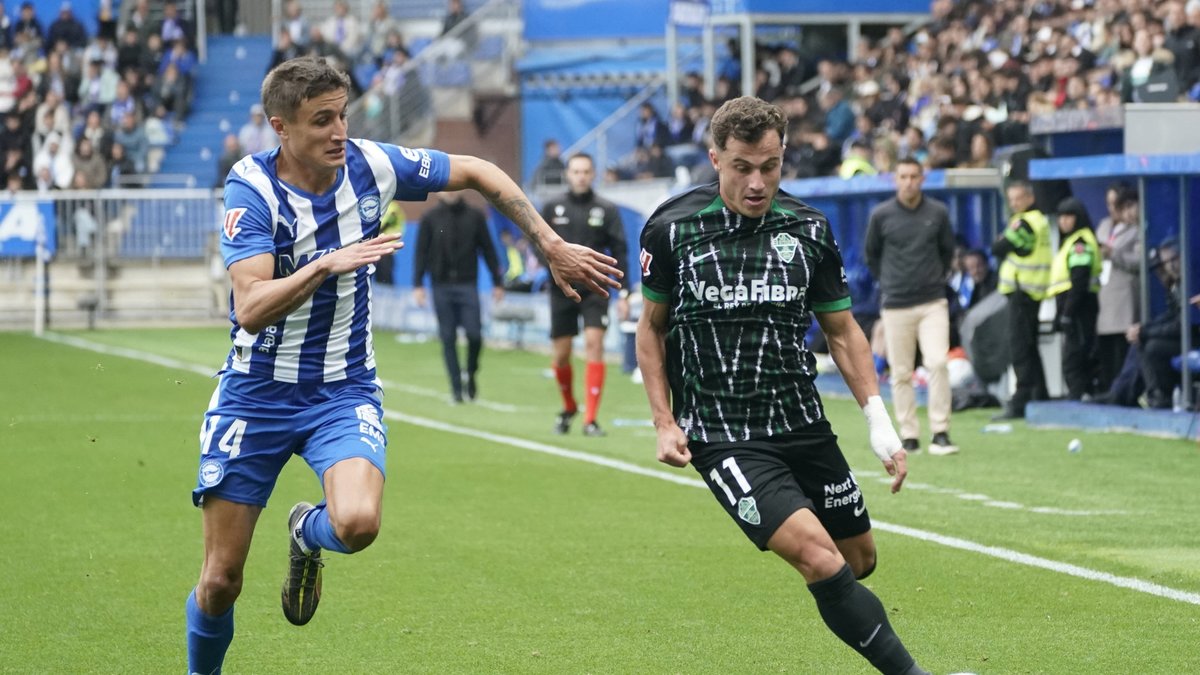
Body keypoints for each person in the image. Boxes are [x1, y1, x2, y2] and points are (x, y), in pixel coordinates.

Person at [185, 55, 621, 675]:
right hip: (255, 394)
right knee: (222, 579)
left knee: (358, 523)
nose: (340, 132)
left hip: (343, 388)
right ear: (280, 128)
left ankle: (308, 533)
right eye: (321, 121)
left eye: (343, 115)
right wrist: (323, 264)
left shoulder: (372, 164)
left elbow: (478, 170)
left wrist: (547, 243)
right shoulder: (250, 188)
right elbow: (250, 308)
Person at [635, 96, 926, 675]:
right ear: (715, 158)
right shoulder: (671, 230)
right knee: (820, 559)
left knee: (857, 560)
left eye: (769, 166)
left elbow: (843, 332)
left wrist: (880, 423)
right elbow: (651, 330)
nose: (756, 182)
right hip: (723, 434)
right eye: (742, 166)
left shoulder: (810, 230)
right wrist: (665, 423)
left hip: (801, 421)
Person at [865, 157, 959, 455]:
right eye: (903, 176)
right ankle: (909, 435)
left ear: (923, 179)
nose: (908, 182)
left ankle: (940, 431)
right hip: (896, 304)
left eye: (913, 176)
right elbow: (872, 256)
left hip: (932, 301)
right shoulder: (881, 215)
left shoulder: (938, 212)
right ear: (895, 180)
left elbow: (947, 252)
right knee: (901, 371)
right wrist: (892, 282)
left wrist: (932, 279)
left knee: (938, 363)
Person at [540, 152, 628, 436]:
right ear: (568, 174)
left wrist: (623, 292)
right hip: (561, 288)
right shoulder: (553, 207)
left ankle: (590, 419)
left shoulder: (607, 209)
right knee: (562, 354)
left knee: (594, 344)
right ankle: (569, 406)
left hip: (595, 288)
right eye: (576, 171)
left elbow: (620, 251)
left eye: (586, 171)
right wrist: (551, 266)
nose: (580, 176)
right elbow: (536, 242)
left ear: (593, 175)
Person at [411, 192, 504, 403]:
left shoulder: (475, 216)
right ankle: (455, 387)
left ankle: (470, 373)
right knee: (448, 337)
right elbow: (421, 253)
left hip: (467, 284)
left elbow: (488, 249)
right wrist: (417, 284)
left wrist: (498, 282)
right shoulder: (430, 217)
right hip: (440, 285)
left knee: (475, 335)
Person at [991, 179, 1051, 419]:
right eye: (1011, 199)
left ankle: (1022, 398)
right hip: (1032, 290)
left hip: (1022, 292)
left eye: (1019, 198)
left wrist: (1000, 240)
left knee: (1020, 348)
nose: (1015, 203)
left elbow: (1000, 247)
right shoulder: (1041, 222)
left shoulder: (1025, 223)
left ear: (1030, 198)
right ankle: (1040, 394)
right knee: (1030, 345)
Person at [1047, 197, 1100, 400]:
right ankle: (1078, 394)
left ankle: (1078, 396)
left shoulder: (1080, 242)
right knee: (1073, 354)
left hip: (1080, 307)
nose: (1064, 221)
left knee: (1075, 356)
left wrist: (1068, 313)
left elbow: (1079, 282)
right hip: (1072, 306)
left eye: (1069, 216)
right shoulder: (1070, 241)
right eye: (1061, 217)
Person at [1093, 186, 1140, 393]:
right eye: (1109, 204)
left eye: (1116, 204)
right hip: (1102, 293)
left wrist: (1113, 254)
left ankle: (1120, 393)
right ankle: (1107, 390)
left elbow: (1140, 261)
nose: (1112, 209)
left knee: (1121, 347)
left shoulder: (1137, 229)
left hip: (1124, 295)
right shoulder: (1104, 226)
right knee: (1104, 349)